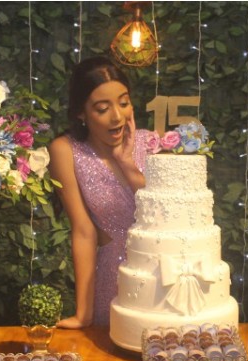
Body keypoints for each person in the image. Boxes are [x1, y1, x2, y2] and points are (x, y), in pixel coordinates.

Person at [49, 57, 147, 329]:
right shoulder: (65, 151)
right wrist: (84, 314)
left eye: (124, 103)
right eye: (103, 108)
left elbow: (166, 215)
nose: (117, 116)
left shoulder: (150, 143)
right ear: (81, 113)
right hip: (113, 277)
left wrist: (127, 164)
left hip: (161, 274)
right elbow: (83, 231)